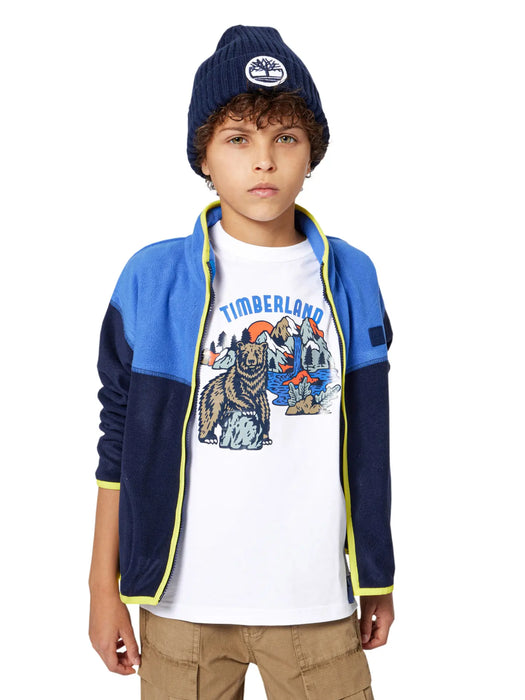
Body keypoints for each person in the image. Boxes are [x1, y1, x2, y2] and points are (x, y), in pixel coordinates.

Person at [89, 25, 395, 700]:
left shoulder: (352, 276)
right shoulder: (152, 279)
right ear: (203, 156)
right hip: (182, 605)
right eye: (237, 139)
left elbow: (369, 439)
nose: (263, 161)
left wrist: (377, 574)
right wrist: (102, 588)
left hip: (316, 602)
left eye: (285, 137)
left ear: (311, 152)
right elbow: (118, 441)